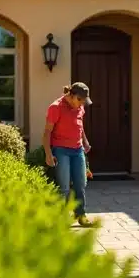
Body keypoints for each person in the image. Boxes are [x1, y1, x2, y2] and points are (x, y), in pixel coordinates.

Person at [43, 82, 98, 228]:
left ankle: (81, 215)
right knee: (64, 187)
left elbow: (80, 126)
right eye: (80, 100)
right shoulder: (56, 107)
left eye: (84, 102)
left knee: (80, 184)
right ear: (71, 96)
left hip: (77, 149)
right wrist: (48, 154)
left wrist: (85, 142)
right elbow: (47, 132)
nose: (81, 104)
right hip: (61, 150)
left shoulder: (79, 107)